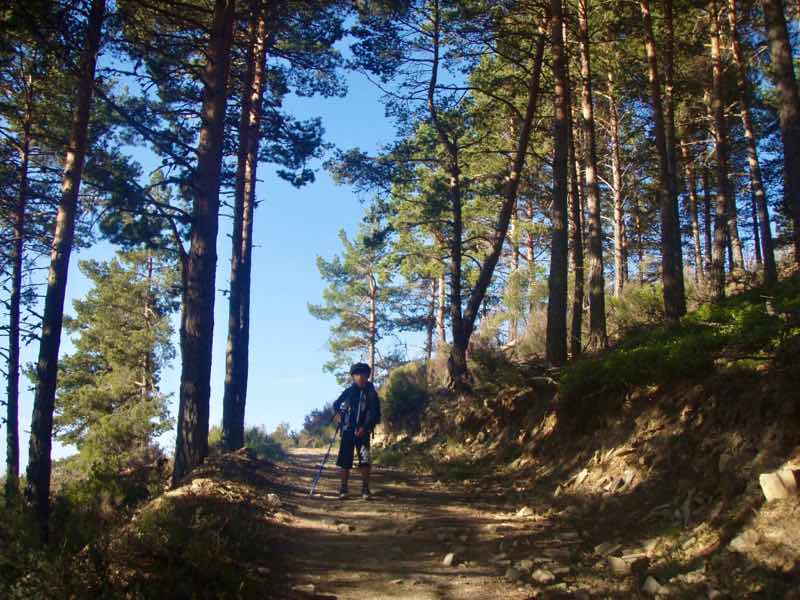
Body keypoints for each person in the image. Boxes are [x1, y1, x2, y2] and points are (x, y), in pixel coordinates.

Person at [333, 362, 380, 500]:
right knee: (345, 460)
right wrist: (337, 414)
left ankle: (365, 489)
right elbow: (336, 404)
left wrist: (365, 428)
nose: (360, 377)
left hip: (363, 432)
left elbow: (375, 414)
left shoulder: (371, 393)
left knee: (365, 460)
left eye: (363, 374)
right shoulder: (349, 391)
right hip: (348, 430)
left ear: (367, 376)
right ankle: (343, 488)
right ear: (353, 376)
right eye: (357, 374)